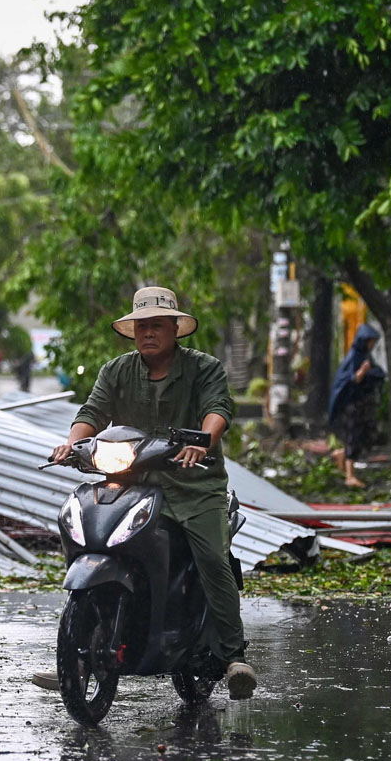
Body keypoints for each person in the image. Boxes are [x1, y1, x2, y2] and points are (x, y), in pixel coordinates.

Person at [43, 286, 257, 701]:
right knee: (91, 536)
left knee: (211, 557)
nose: (148, 334)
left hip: (194, 484)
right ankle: (79, 650)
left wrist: (204, 441)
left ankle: (233, 656)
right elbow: (92, 412)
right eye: (141, 327)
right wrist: (72, 442)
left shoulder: (204, 368)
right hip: (134, 481)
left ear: (176, 329)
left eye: (157, 325)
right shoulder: (117, 370)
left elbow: (219, 410)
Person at [328, 323, 386, 488]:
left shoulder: (366, 357)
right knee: (353, 437)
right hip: (351, 406)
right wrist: (360, 373)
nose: (372, 345)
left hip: (363, 405)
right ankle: (350, 475)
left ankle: (342, 455)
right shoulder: (354, 357)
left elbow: (376, 373)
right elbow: (348, 380)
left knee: (363, 437)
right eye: (370, 342)